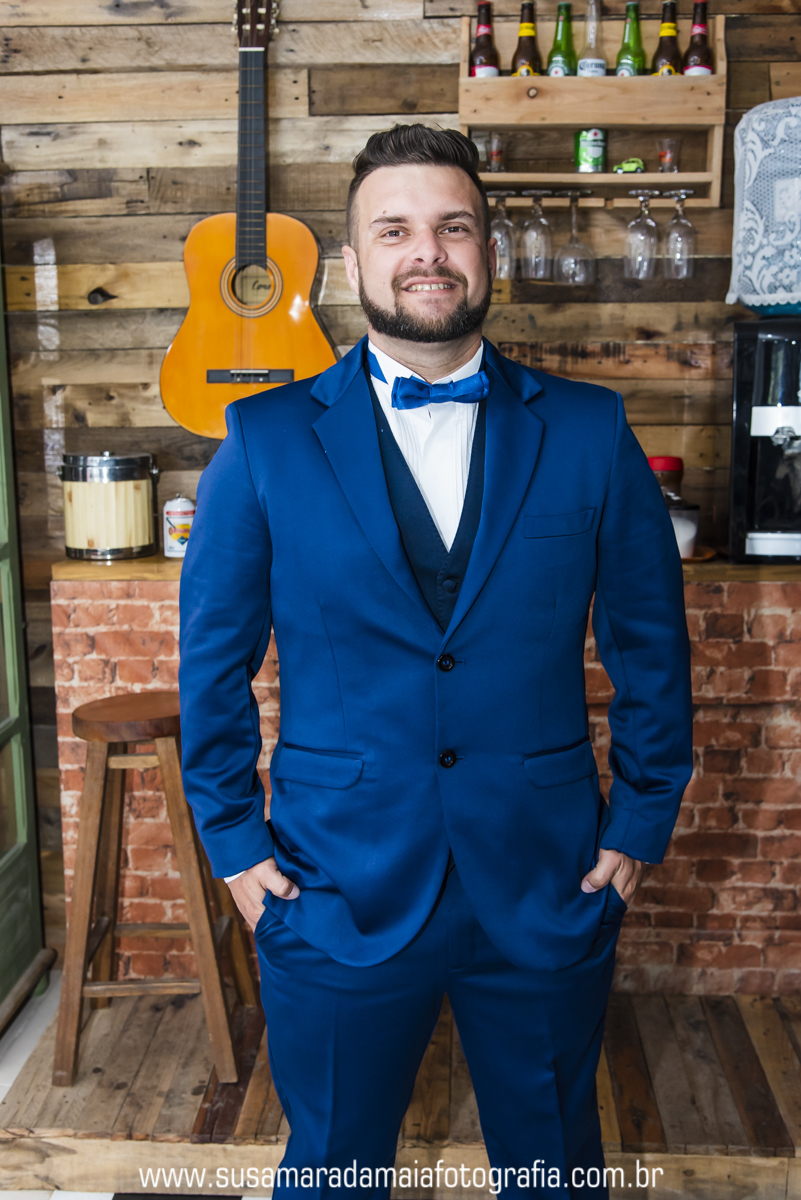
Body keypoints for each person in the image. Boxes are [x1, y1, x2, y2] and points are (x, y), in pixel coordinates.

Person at [178, 123, 693, 1198]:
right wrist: (231, 843)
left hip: (549, 878)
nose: (427, 251)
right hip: (330, 884)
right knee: (332, 1172)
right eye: (395, 229)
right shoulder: (263, 441)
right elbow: (213, 663)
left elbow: (650, 646)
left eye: (453, 227)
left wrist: (639, 826)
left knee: (554, 1173)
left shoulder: (590, 431)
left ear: (487, 252)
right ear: (351, 260)